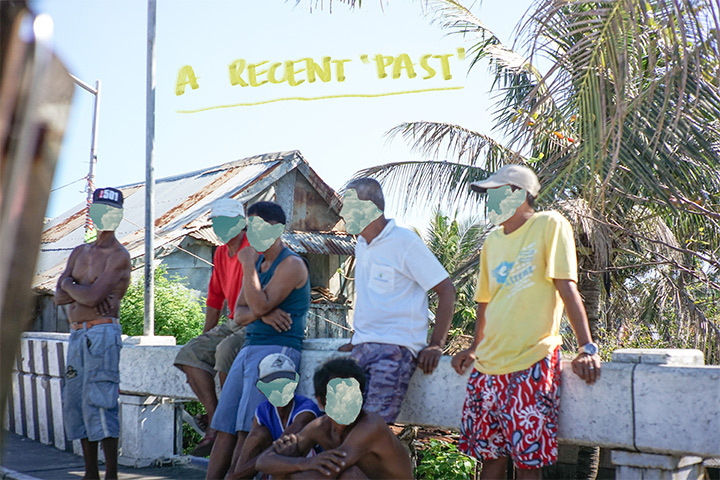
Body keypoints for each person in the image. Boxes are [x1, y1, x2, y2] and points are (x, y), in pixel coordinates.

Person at [451, 164, 602, 479]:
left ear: (518, 194)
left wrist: (588, 346)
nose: (487, 203)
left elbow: (566, 287)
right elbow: (485, 303)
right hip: (486, 368)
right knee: (489, 460)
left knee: (527, 464)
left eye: (493, 195)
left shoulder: (550, 224)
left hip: (531, 363)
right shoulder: (492, 240)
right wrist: (474, 348)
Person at [337, 177, 456, 423]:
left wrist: (435, 344)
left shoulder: (405, 242)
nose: (342, 212)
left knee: (373, 426)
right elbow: (373, 299)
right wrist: (358, 338)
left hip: (396, 350)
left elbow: (446, 291)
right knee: (343, 421)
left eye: (348, 205)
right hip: (363, 348)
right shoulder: (361, 243)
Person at [207, 201, 311, 479]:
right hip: (249, 347)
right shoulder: (259, 264)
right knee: (225, 427)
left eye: (257, 226)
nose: (250, 232)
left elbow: (259, 304)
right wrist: (262, 313)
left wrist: (249, 266)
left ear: (276, 229)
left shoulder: (290, 263)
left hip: (277, 350)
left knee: (249, 429)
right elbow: (239, 314)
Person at [55, 187, 131, 480]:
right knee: (76, 404)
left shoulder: (119, 256)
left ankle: (110, 474)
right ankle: (90, 474)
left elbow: (89, 295)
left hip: (102, 335)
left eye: (110, 211)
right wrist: (80, 292)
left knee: (101, 402)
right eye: (99, 209)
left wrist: (72, 287)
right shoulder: (79, 251)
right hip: (77, 333)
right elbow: (58, 296)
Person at [174, 197, 250, 456]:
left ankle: (221, 428)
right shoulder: (220, 252)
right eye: (217, 222)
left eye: (225, 222)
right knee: (189, 353)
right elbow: (215, 297)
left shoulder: (254, 247)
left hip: (255, 318)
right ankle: (215, 419)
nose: (220, 227)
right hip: (232, 321)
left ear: (241, 223)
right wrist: (206, 336)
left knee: (224, 353)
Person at [255, 357, 413, 479]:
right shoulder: (319, 427)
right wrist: (304, 463)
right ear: (320, 401)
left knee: (348, 475)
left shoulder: (371, 425)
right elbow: (263, 462)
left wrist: (287, 469)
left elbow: (331, 472)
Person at [227, 353, 322, 479]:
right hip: (275, 467)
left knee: (286, 452)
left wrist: (235, 476)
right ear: (261, 389)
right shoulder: (262, 411)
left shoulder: (306, 410)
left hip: (306, 470)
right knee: (257, 434)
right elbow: (250, 447)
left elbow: (279, 450)